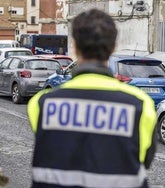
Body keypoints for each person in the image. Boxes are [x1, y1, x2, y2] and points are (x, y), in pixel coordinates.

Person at [27, 9, 157, 188]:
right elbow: (143, 160)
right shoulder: (142, 105)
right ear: (114, 47)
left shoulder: (41, 103)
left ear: (74, 46)